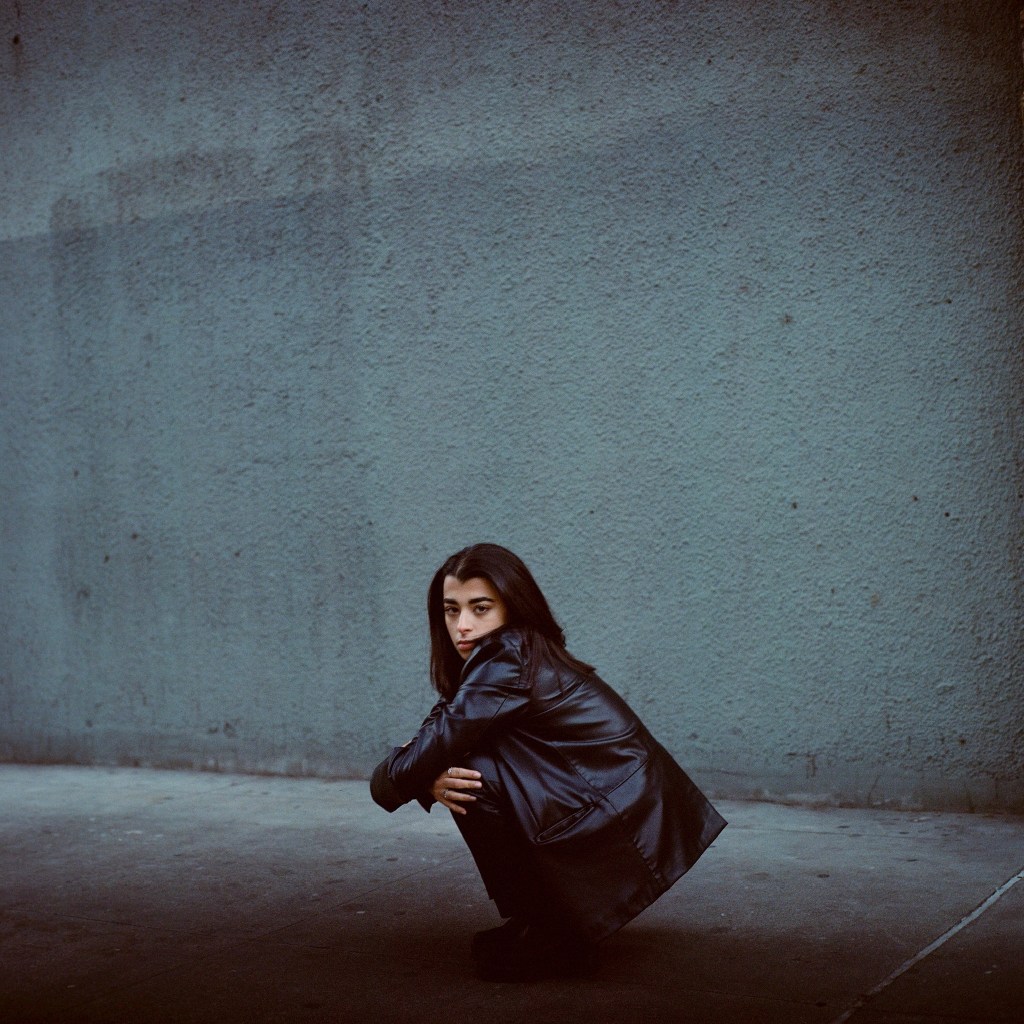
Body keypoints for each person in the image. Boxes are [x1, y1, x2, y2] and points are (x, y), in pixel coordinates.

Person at [370, 543, 726, 981]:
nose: (462, 625)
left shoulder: (508, 654)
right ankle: (540, 922)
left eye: (480, 608)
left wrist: (399, 776)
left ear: (513, 606)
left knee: (472, 778)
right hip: (621, 799)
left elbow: (435, 744)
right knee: (464, 764)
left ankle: (554, 934)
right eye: (451, 610)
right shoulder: (514, 651)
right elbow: (442, 732)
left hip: (624, 812)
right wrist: (425, 767)